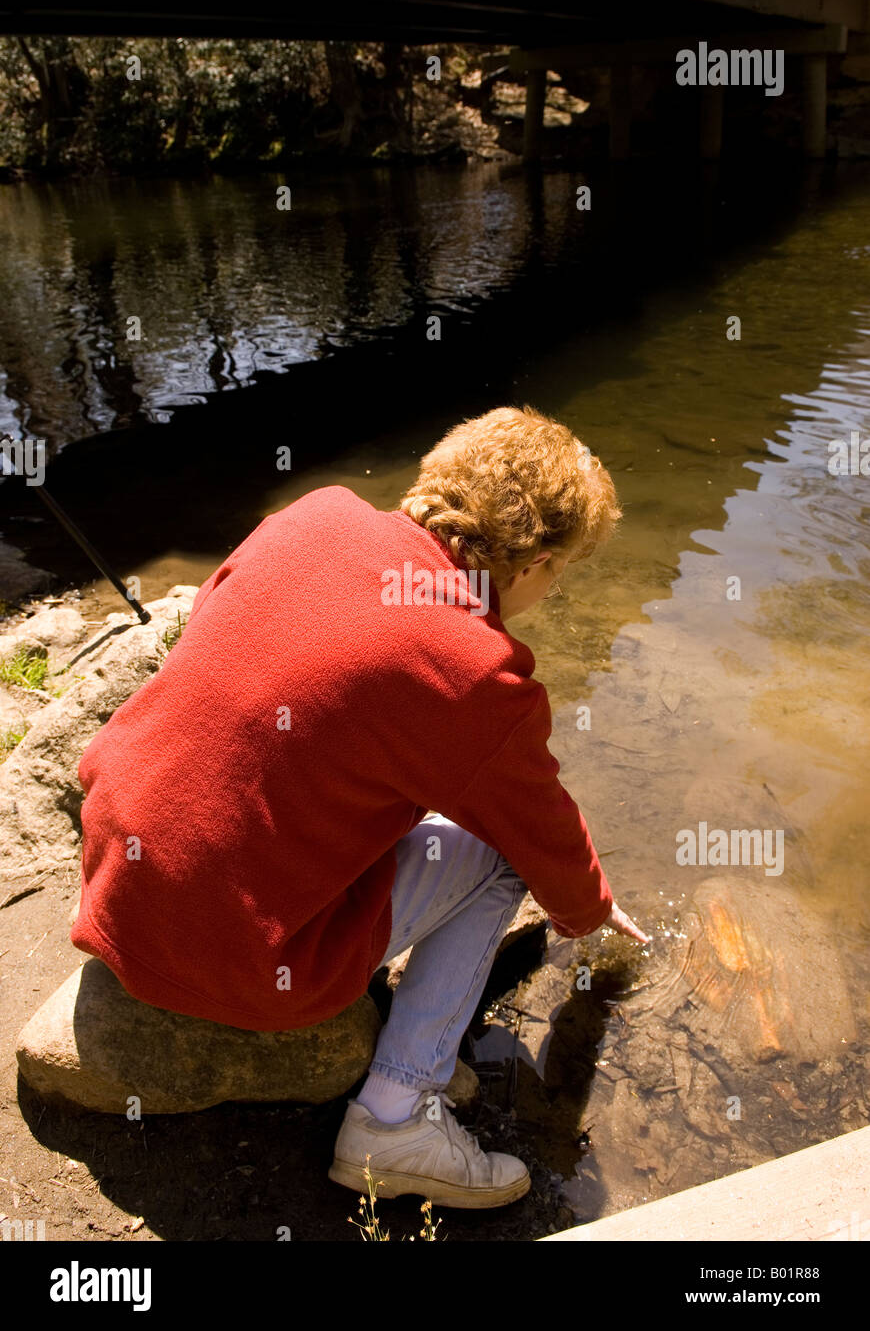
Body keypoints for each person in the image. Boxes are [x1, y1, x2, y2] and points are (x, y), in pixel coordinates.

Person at [71, 404, 650, 1212]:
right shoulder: (474, 670)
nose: (553, 591)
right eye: (562, 574)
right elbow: (542, 832)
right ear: (535, 564)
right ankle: (395, 1118)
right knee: (500, 858)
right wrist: (590, 911)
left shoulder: (313, 515)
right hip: (235, 954)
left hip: (115, 872)